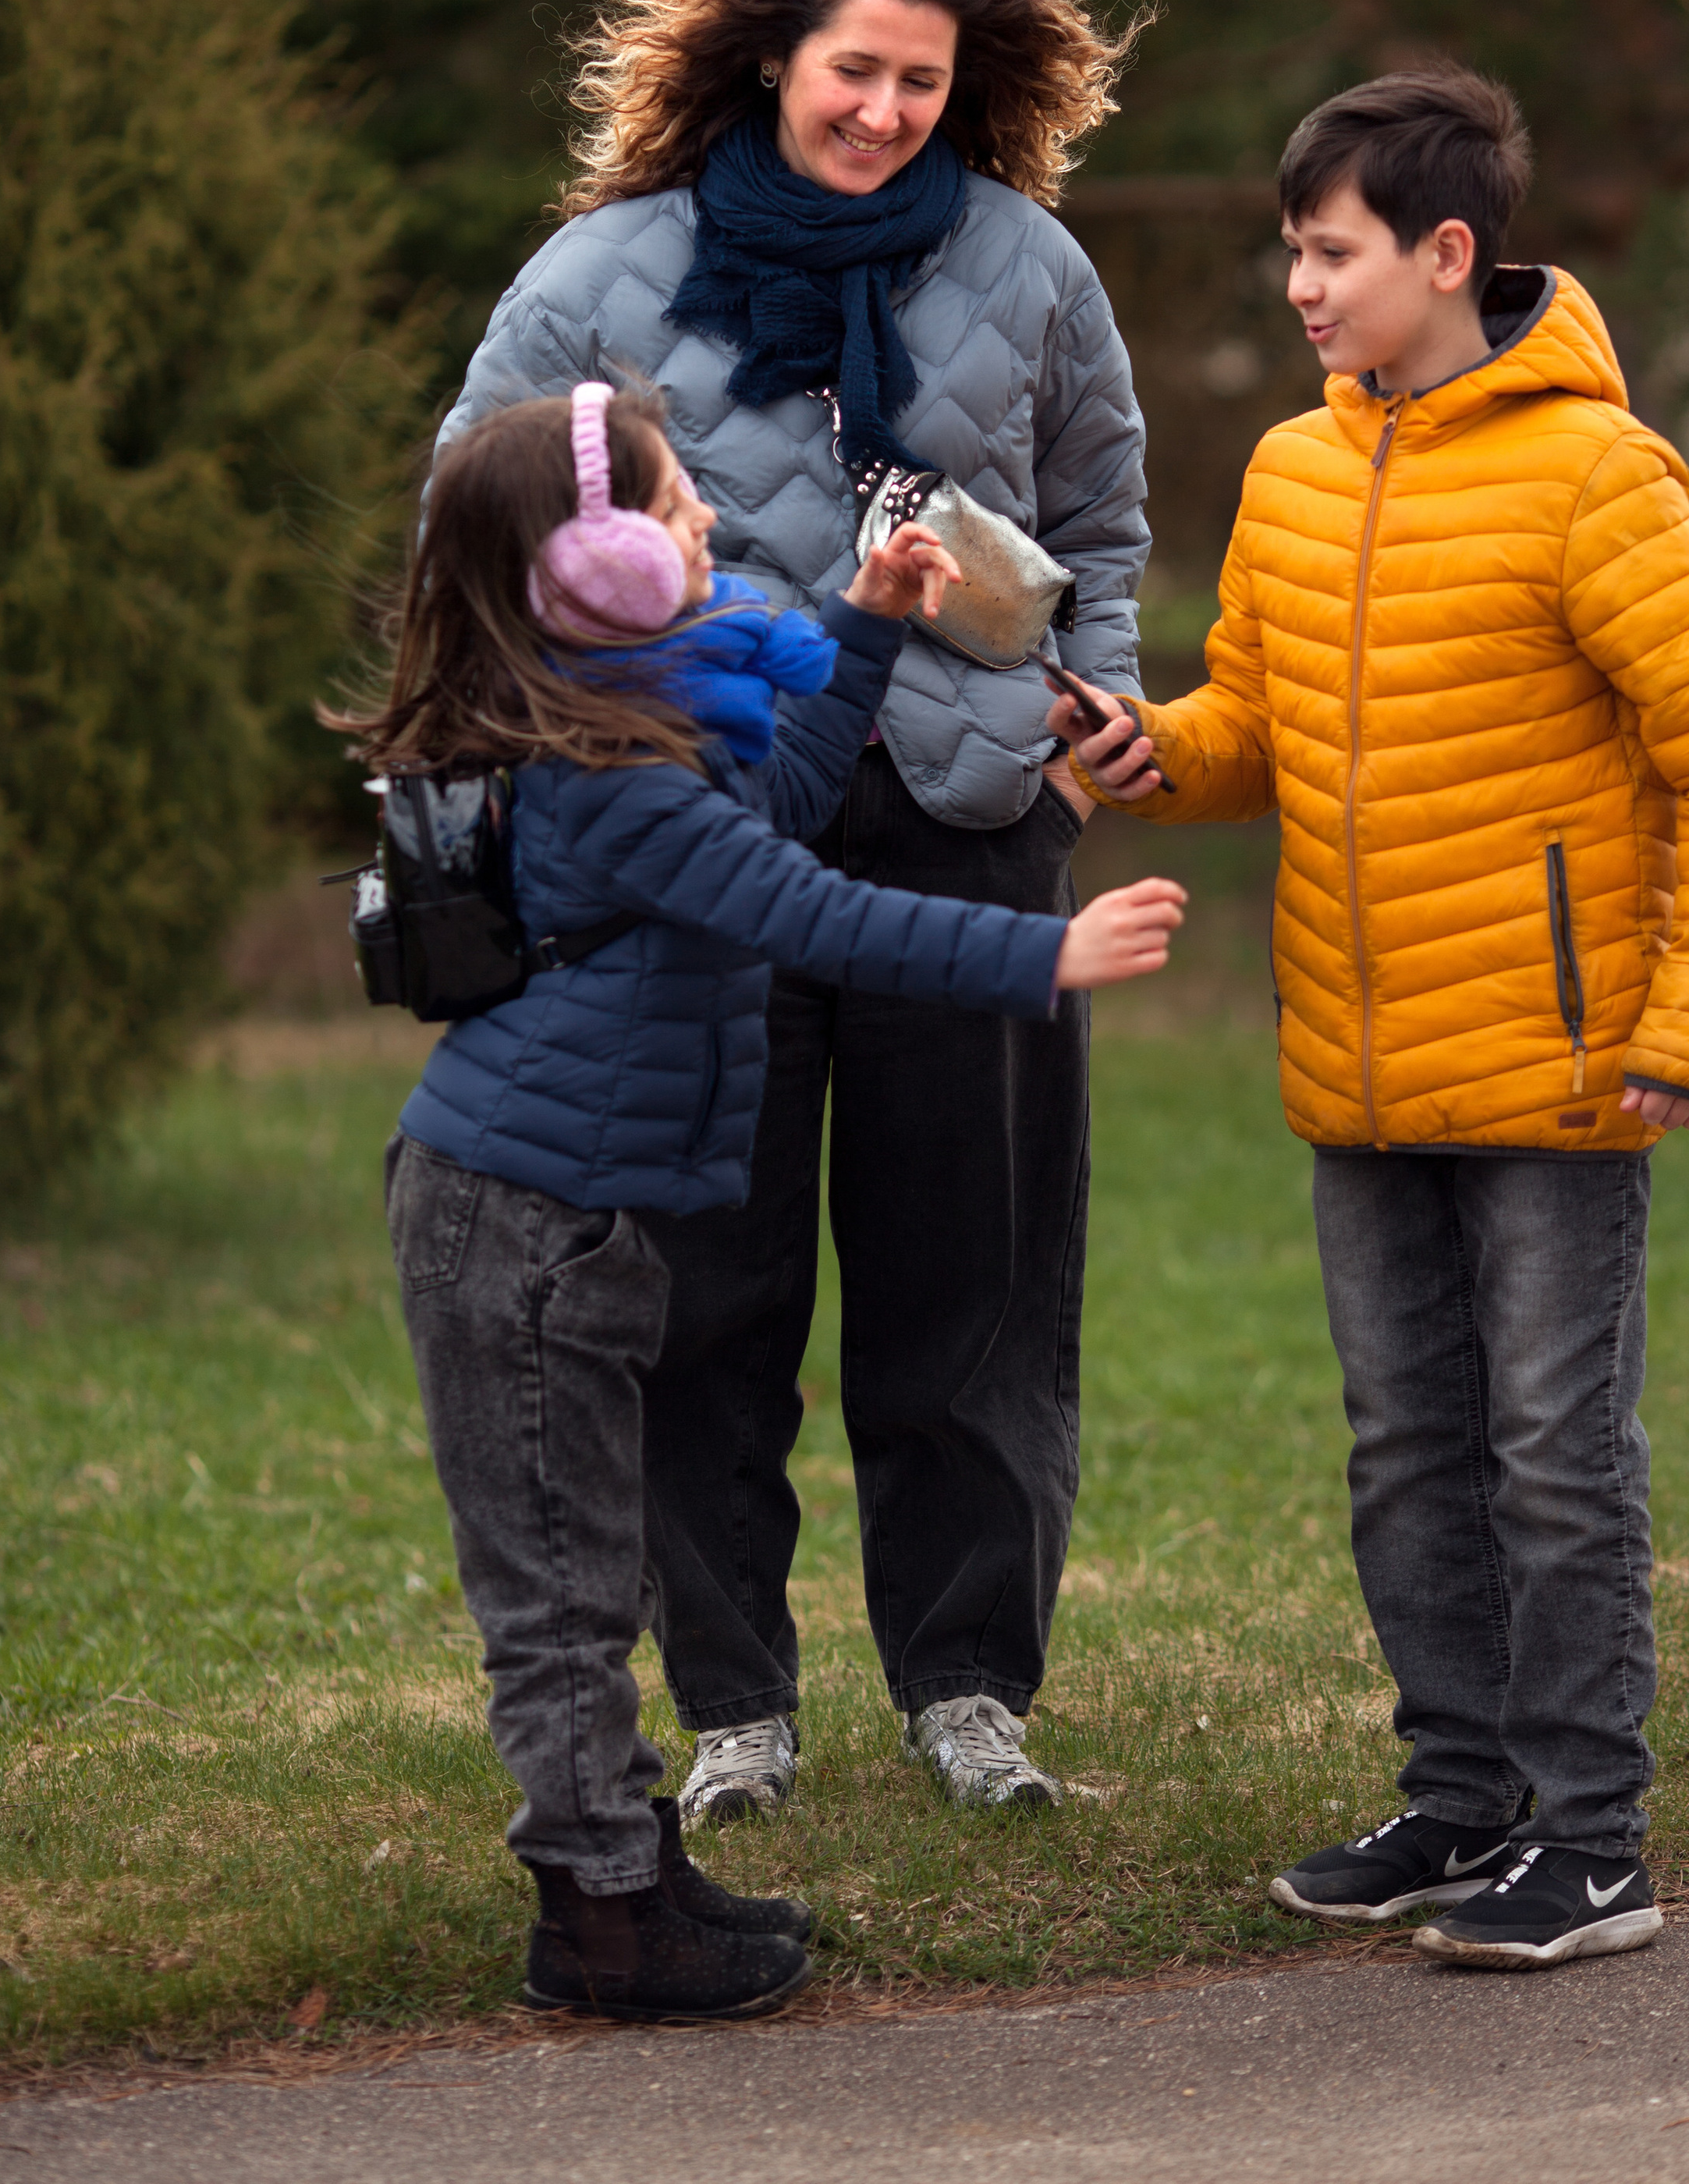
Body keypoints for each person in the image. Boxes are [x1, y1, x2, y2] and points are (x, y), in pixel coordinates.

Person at [1055, 63, 1689, 1972]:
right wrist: (1155, 751)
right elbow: (1261, 731)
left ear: (1443, 253)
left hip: (1559, 1068)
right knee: (1405, 1450)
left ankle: (1590, 1837)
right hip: (1360, 1063)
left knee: (1554, 1451)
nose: (1296, 287)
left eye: (1329, 252)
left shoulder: (1592, 476)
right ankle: (1460, 1801)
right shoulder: (1297, 475)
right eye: (1289, 251)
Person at [325, 382, 1184, 2023]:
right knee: (563, 1594)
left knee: (572, 1573)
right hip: (514, 1226)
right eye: (670, 507)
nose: (706, 523)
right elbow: (806, 903)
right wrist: (1039, 951)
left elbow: (780, 804)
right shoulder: (608, 772)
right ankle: (601, 1919)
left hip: (555, 1218)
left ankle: (619, 1879)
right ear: (592, 566)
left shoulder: (629, 720)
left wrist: (860, 629)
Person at [437, 0, 1150, 1820]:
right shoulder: (594, 280)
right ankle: (735, 1705)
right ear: (770, 56)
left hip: (969, 828)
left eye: (921, 80)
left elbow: (1098, 513)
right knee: (702, 1291)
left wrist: (1087, 711)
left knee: (974, 1285)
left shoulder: (1027, 264)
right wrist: (606, 725)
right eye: (854, 70)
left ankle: (968, 1692)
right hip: (701, 854)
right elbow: (472, 520)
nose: (884, 113)